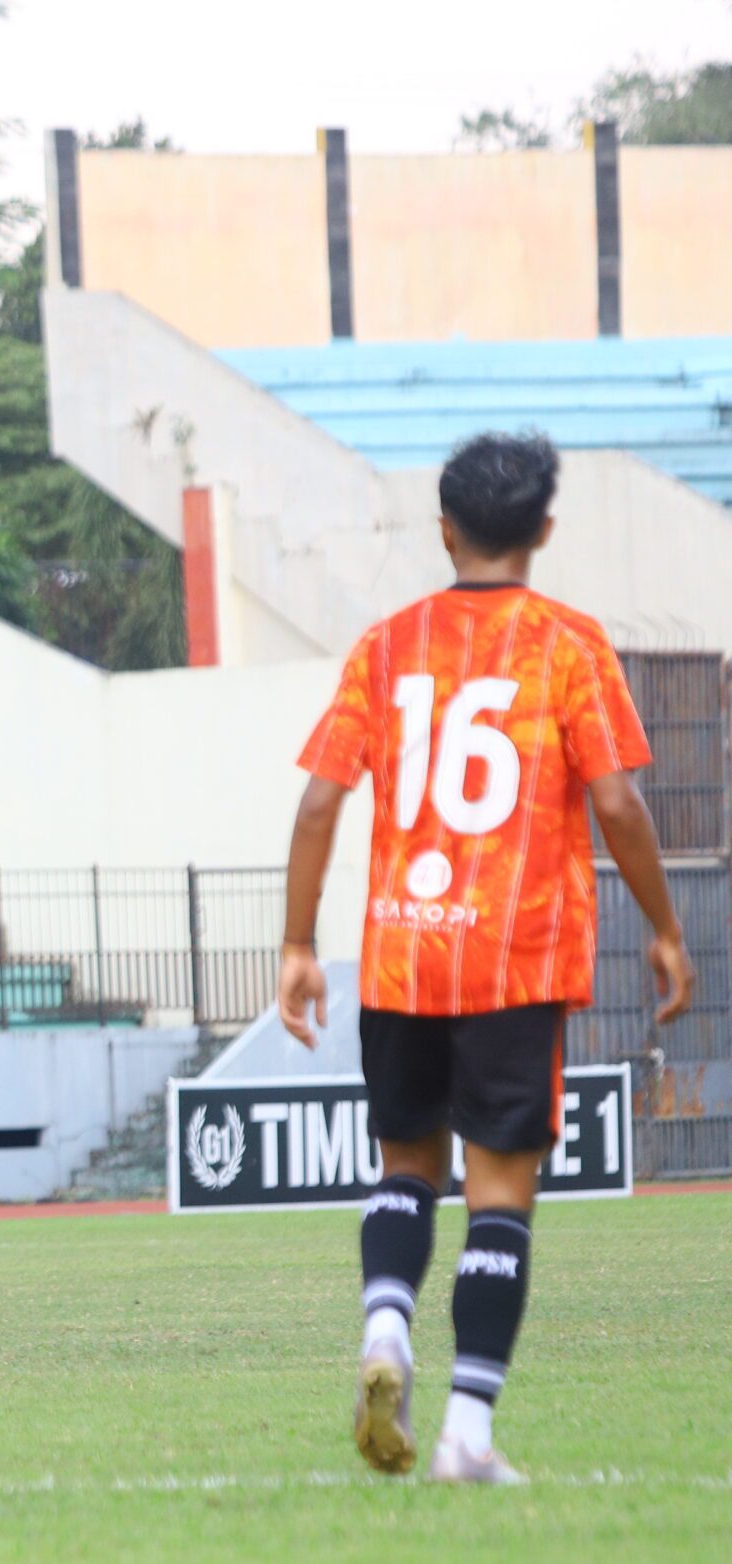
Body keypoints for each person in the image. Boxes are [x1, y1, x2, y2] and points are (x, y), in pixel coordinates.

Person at [276, 432, 694, 1487]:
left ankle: (385, 1328)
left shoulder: (385, 644)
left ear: (444, 529)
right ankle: (464, 1430)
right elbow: (613, 799)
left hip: (402, 959)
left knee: (403, 1168)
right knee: (499, 1194)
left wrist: (293, 941)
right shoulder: (567, 645)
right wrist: (663, 925)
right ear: (544, 530)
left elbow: (321, 798)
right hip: (516, 955)